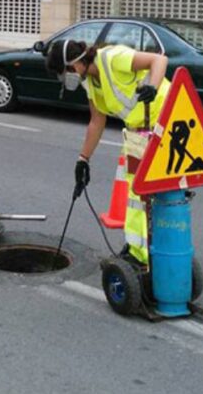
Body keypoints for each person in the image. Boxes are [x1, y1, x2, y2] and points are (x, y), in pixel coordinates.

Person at [45, 39, 169, 266]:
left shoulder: (112, 57)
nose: (68, 76)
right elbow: (96, 122)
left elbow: (159, 59)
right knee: (136, 192)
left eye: (66, 71)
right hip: (140, 128)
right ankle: (139, 249)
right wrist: (83, 159)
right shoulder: (91, 82)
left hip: (165, 118)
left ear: (75, 63)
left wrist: (153, 85)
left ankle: (143, 254)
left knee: (144, 191)